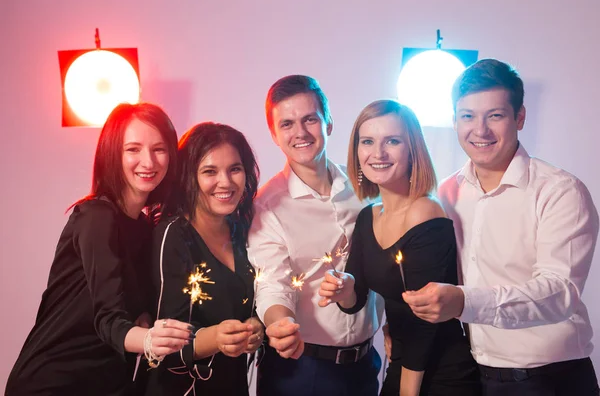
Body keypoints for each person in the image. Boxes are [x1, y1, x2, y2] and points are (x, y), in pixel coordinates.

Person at [403, 58, 600, 395]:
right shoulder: (447, 193)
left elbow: (559, 292)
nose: (480, 131)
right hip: (473, 374)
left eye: (494, 116)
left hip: (551, 379)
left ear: (519, 117)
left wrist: (464, 302)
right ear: (454, 120)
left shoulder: (560, 191)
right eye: (468, 116)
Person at [6, 103, 194, 396]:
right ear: (113, 154)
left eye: (159, 149)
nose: (148, 161)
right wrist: (149, 340)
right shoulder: (96, 215)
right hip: (55, 382)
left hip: (108, 382)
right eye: (133, 149)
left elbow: (134, 306)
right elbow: (108, 318)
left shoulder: (148, 228)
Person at [319, 99, 480, 396]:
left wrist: (407, 392)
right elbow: (356, 298)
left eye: (392, 141)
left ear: (412, 150)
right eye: (367, 141)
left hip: (441, 373)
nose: (377, 153)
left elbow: (425, 323)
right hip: (403, 364)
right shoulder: (369, 216)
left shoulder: (425, 212)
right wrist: (344, 288)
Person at [248, 75, 384, 396]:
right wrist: (279, 324)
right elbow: (272, 284)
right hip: (301, 370)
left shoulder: (367, 187)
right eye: (287, 124)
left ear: (329, 123)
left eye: (310, 119)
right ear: (274, 134)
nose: (300, 133)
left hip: (365, 365)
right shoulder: (267, 206)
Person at [145, 123, 263, 395]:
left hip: (232, 385)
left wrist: (258, 327)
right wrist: (215, 338)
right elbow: (162, 344)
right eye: (210, 171)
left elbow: (255, 301)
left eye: (235, 169)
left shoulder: (243, 229)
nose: (226, 182)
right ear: (189, 176)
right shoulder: (173, 235)